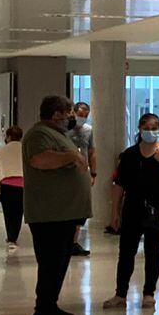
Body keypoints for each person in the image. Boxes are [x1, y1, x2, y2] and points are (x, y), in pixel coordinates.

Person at [104, 112, 159, 311]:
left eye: (155, 128)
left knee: (152, 251)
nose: (151, 132)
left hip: (157, 209)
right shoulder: (130, 154)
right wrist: (114, 212)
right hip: (133, 208)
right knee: (126, 252)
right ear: (140, 129)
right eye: (147, 128)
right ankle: (120, 293)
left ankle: (149, 293)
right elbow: (119, 184)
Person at [23, 96, 91, 315]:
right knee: (51, 262)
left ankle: (50, 303)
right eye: (68, 112)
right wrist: (71, 156)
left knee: (60, 262)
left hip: (64, 213)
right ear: (56, 114)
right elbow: (40, 160)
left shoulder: (59, 135)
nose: (72, 117)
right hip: (50, 213)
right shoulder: (39, 134)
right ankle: (43, 307)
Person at [67, 102, 95, 255]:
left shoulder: (88, 131)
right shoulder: (65, 130)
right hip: (67, 173)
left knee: (81, 208)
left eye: (85, 116)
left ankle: (74, 241)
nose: (82, 118)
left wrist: (93, 173)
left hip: (83, 173)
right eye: (80, 115)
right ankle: (66, 240)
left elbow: (91, 152)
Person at [0, 127, 25, 249]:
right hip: (22, 184)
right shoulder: (25, 148)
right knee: (18, 212)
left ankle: (10, 236)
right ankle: (14, 237)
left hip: (6, 185)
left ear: (9, 137)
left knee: (8, 212)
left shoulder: (1, 150)